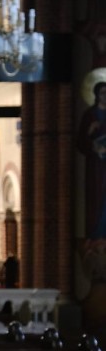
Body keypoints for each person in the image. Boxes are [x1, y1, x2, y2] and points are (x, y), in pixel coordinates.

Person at [76, 81, 106, 239]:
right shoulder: (90, 115)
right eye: (103, 93)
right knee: (98, 197)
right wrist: (90, 132)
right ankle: (96, 233)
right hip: (97, 166)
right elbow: (81, 142)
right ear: (96, 95)